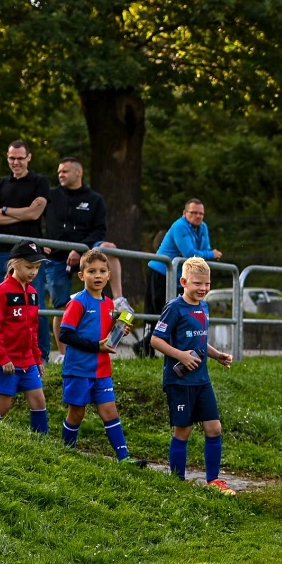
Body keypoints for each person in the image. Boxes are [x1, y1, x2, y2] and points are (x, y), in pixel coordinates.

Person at [150, 257, 235, 495]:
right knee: (183, 430)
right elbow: (155, 340)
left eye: (207, 284)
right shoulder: (174, 308)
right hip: (179, 381)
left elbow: (200, 340)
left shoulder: (204, 307)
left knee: (214, 428)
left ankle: (213, 481)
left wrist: (217, 355)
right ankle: (177, 481)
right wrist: (181, 356)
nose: (203, 289)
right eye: (198, 283)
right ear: (183, 282)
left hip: (202, 380)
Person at [45, 158, 127, 355]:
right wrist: (43, 242)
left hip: (87, 250)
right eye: (59, 172)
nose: (60, 175)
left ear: (78, 173)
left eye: (65, 171)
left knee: (109, 247)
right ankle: (64, 355)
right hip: (56, 256)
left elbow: (100, 230)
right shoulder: (51, 196)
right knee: (60, 307)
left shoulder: (95, 199)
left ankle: (118, 299)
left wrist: (81, 250)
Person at [58, 249, 132, 461]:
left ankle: (124, 458)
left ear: (109, 274)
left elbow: (107, 334)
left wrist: (120, 330)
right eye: (91, 271)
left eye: (102, 271)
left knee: (110, 411)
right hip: (79, 370)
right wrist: (96, 347)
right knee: (77, 413)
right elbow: (65, 334)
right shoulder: (78, 302)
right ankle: (66, 454)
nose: (97, 276)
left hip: (102, 371)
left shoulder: (110, 304)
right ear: (82, 276)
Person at [0, 241, 49, 434]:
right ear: (14, 263)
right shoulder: (1, 292)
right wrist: (3, 358)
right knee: (3, 405)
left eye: (37, 267)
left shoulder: (34, 293)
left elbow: (33, 330)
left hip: (28, 360)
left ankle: (42, 445)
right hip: (5, 361)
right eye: (29, 267)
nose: (33, 272)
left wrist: (37, 358)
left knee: (39, 401)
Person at [0, 140, 50, 277]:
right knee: (6, 295)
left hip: (32, 251)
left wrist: (5, 210)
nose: (15, 162)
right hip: (4, 251)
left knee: (32, 296)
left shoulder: (40, 182)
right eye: (12, 158)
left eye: (20, 158)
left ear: (29, 157)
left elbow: (34, 214)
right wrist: (24, 214)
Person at [147, 199, 222, 316]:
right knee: (159, 316)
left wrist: (207, 253)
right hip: (161, 273)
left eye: (201, 214)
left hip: (180, 277)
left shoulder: (203, 227)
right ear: (184, 213)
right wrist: (211, 254)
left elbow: (205, 249)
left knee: (180, 316)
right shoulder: (179, 226)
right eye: (193, 212)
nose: (198, 216)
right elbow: (190, 254)